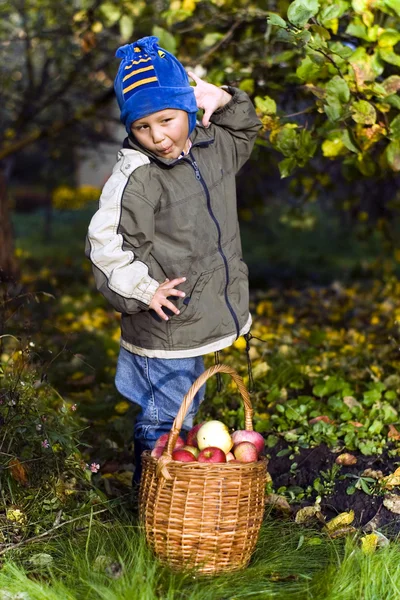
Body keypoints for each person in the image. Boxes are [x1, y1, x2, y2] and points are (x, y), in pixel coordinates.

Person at [85, 35, 261, 483]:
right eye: (142, 127)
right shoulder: (138, 176)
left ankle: (172, 496)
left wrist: (223, 99)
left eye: (167, 119)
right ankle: (155, 501)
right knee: (165, 417)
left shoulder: (208, 146)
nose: (158, 136)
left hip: (193, 318)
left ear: (187, 108)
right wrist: (144, 290)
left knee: (186, 405)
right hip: (164, 323)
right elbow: (105, 245)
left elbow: (244, 130)